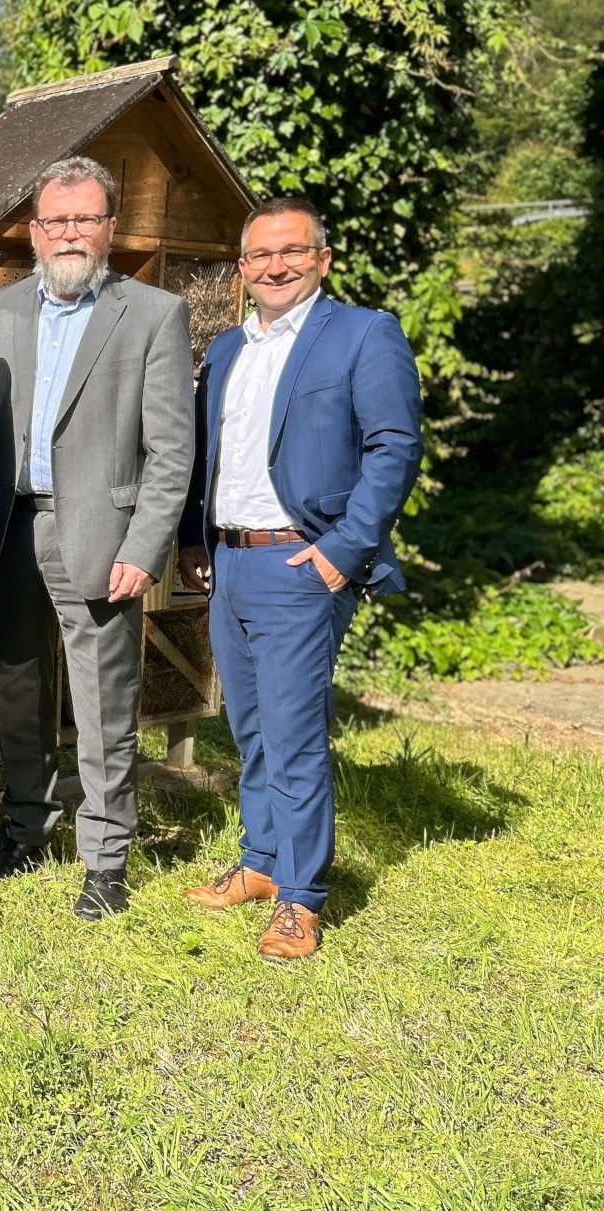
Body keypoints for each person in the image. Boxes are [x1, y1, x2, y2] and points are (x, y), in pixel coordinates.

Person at [177, 197, 422, 960]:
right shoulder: (224, 349)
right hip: (231, 560)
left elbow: (395, 446)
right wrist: (195, 538)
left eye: (292, 252)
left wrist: (343, 551)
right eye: (259, 256)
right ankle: (259, 862)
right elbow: (205, 455)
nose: (274, 266)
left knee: (294, 733)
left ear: (322, 259)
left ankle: (302, 897)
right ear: (242, 270)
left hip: (301, 563)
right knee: (249, 729)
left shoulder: (361, 333)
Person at [0, 156, 193, 919]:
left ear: (109, 227)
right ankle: (25, 827)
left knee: (104, 701)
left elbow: (172, 449)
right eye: (56, 220)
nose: (70, 232)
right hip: (9, 531)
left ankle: (105, 858)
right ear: (34, 231)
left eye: (85, 218)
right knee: (18, 687)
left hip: (100, 532)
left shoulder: (154, 314)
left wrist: (145, 545)